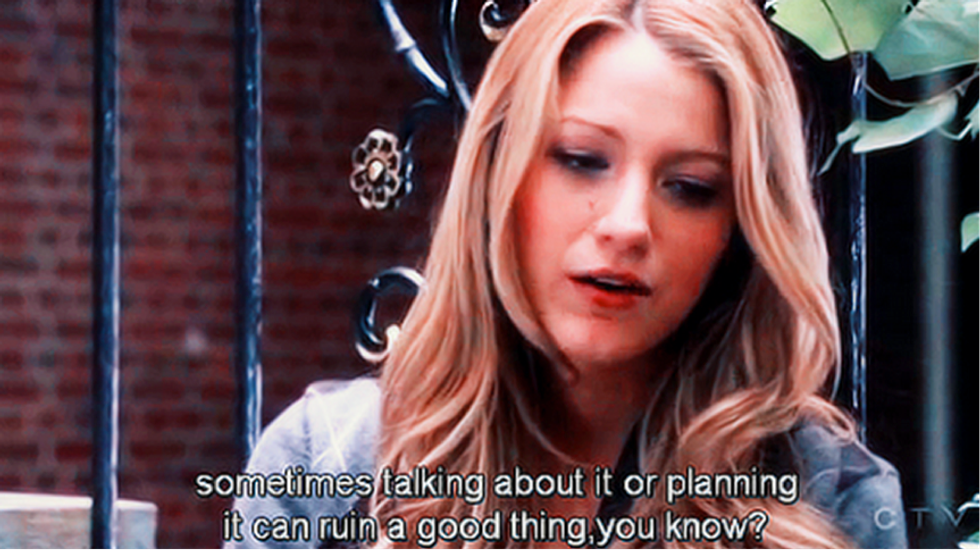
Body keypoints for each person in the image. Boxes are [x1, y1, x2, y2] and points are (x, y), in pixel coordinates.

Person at [229, 0, 908, 547]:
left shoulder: (830, 500)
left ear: (738, 233)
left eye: (691, 187)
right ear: (499, 174)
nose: (628, 225)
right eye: (582, 159)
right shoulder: (323, 467)